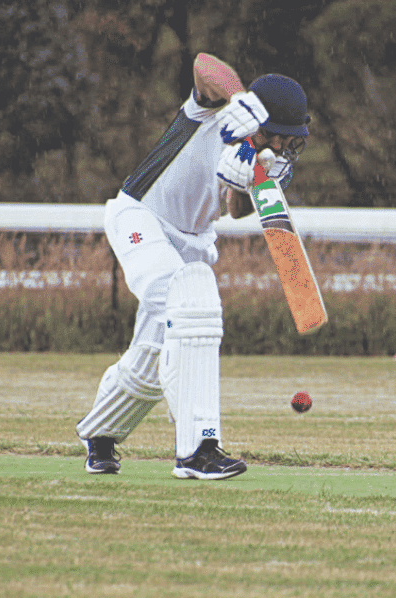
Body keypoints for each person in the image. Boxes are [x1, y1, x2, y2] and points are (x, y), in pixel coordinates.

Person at [75, 53, 310, 480]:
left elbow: (235, 209)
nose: (281, 147)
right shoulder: (215, 109)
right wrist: (239, 98)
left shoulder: (267, 161)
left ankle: (100, 435)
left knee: (152, 353)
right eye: (276, 136)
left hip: (193, 240)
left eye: (288, 140)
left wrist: (248, 181)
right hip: (142, 216)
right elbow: (204, 65)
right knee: (193, 305)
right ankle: (198, 449)